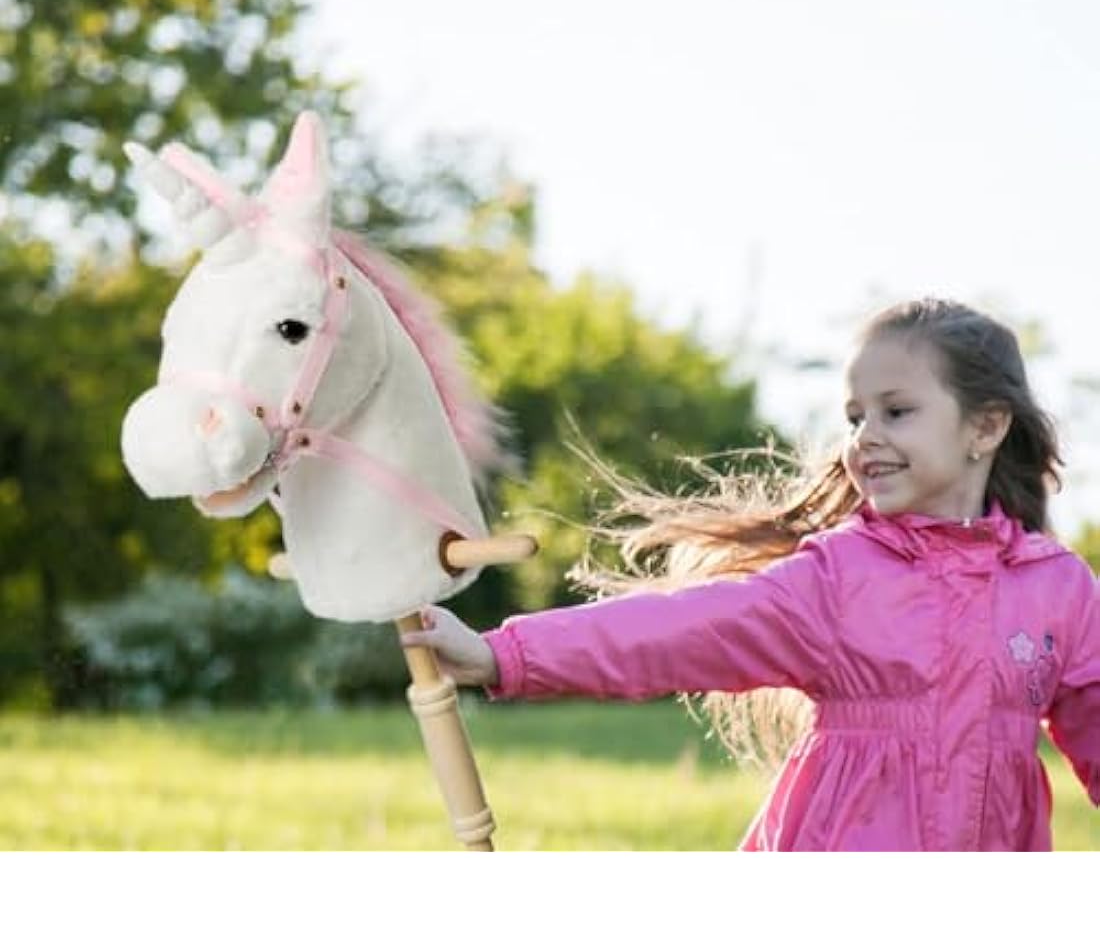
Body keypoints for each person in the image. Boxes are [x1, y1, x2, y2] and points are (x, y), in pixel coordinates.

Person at [401, 298, 1100, 851]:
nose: (864, 438)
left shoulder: (1057, 591)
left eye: (897, 411)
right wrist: (502, 654)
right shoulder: (839, 578)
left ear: (985, 428)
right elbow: (676, 631)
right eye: (856, 417)